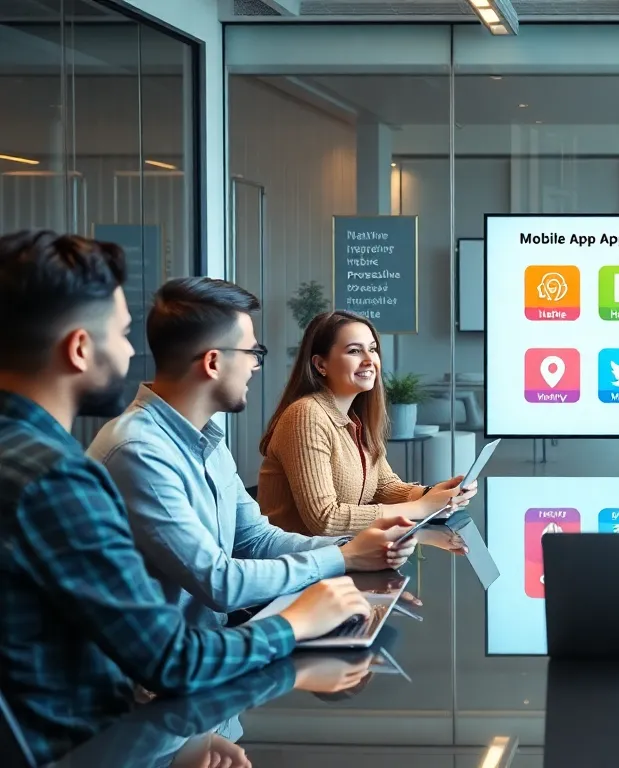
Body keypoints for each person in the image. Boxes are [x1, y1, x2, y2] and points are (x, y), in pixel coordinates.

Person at [0, 230, 369, 766]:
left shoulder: (25, 457)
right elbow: (172, 657)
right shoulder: (59, 479)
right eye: (122, 334)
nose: (132, 351)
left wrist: (175, 748)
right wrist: (296, 623)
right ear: (79, 349)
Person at [87, 277, 421, 631]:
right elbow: (220, 582)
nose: (255, 367)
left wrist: (355, 547)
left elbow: (257, 539)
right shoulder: (139, 451)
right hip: (176, 658)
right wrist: (344, 557)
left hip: (215, 640)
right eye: (252, 353)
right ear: (213, 362)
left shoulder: (205, 440)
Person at [259, 310, 474, 535]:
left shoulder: (354, 418)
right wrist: (421, 507)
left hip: (343, 551)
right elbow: (325, 520)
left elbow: (383, 486)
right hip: (298, 556)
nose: (370, 360)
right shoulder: (306, 415)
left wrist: (432, 493)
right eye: (354, 351)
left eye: (372, 349)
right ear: (321, 364)